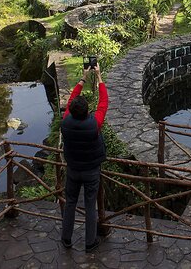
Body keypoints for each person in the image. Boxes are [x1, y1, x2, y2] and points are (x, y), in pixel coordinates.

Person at [61, 64, 108, 253]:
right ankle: (90, 242)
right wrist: (99, 76)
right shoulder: (94, 124)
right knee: (90, 204)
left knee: (70, 201)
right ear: (87, 110)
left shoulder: (66, 121)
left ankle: (66, 238)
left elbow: (71, 99)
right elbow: (104, 103)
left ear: (71, 110)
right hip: (91, 170)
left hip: (72, 169)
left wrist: (82, 78)